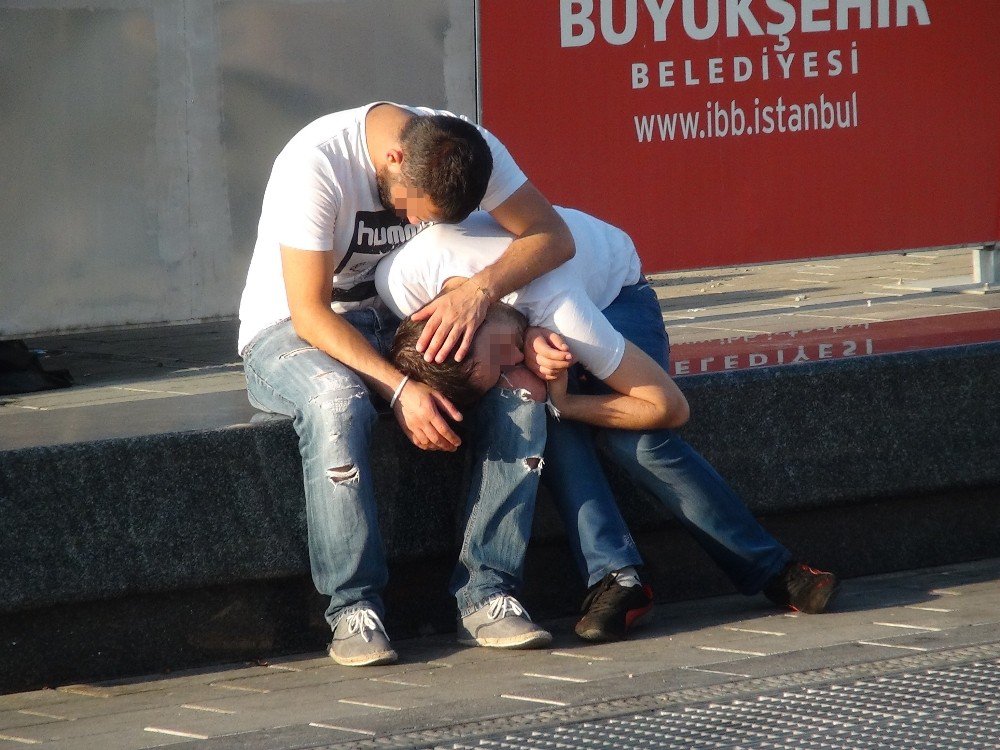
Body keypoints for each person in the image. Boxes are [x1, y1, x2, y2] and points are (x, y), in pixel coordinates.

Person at [376, 207, 840, 642]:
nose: (514, 363)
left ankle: (777, 571)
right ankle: (618, 579)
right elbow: (484, 344)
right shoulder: (398, 285)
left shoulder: (560, 307)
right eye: (498, 373)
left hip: (615, 293)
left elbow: (669, 407)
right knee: (536, 411)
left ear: (470, 319)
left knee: (633, 440)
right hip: (530, 305)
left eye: (501, 356)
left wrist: (568, 401)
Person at [237, 102, 576, 666]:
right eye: (409, 206)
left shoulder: (461, 148)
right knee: (337, 402)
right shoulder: (315, 164)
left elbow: (552, 235)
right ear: (394, 158)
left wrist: (482, 294)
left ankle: (488, 593)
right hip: (292, 330)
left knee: (520, 390)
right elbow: (309, 315)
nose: (414, 219)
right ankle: (353, 608)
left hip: (402, 319)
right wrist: (399, 390)